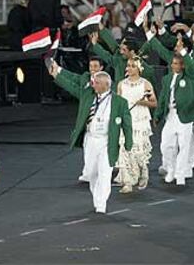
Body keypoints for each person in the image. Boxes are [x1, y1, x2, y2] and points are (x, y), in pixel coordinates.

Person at [48, 63, 133, 214]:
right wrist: (57, 75)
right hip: (91, 139)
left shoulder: (120, 102)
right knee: (92, 172)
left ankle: (101, 204)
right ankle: (97, 197)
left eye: (97, 83)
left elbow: (127, 124)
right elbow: (71, 86)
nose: (93, 85)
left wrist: (128, 142)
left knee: (105, 172)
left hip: (108, 140)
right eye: (93, 82)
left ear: (106, 84)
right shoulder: (88, 95)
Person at [146, 28, 194, 185]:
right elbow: (163, 98)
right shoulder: (167, 78)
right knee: (166, 145)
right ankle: (170, 169)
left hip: (185, 115)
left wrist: (183, 52)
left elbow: (193, 69)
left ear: (182, 65)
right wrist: (157, 115)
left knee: (184, 146)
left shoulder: (190, 73)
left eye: (176, 64)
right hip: (171, 115)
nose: (173, 65)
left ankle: (181, 173)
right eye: (172, 63)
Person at [115, 54, 157, 193]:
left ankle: (143, 172)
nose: (130, 68)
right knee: (124, 150)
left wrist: (142, 102)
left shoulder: (145, 84)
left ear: (139, 68)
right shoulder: (121, 84)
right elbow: (118, 104)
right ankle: (127, 181)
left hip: (140, 122)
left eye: (133, 66)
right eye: (128, 65)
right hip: (126, 121)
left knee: (138, 151)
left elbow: (153, 102)